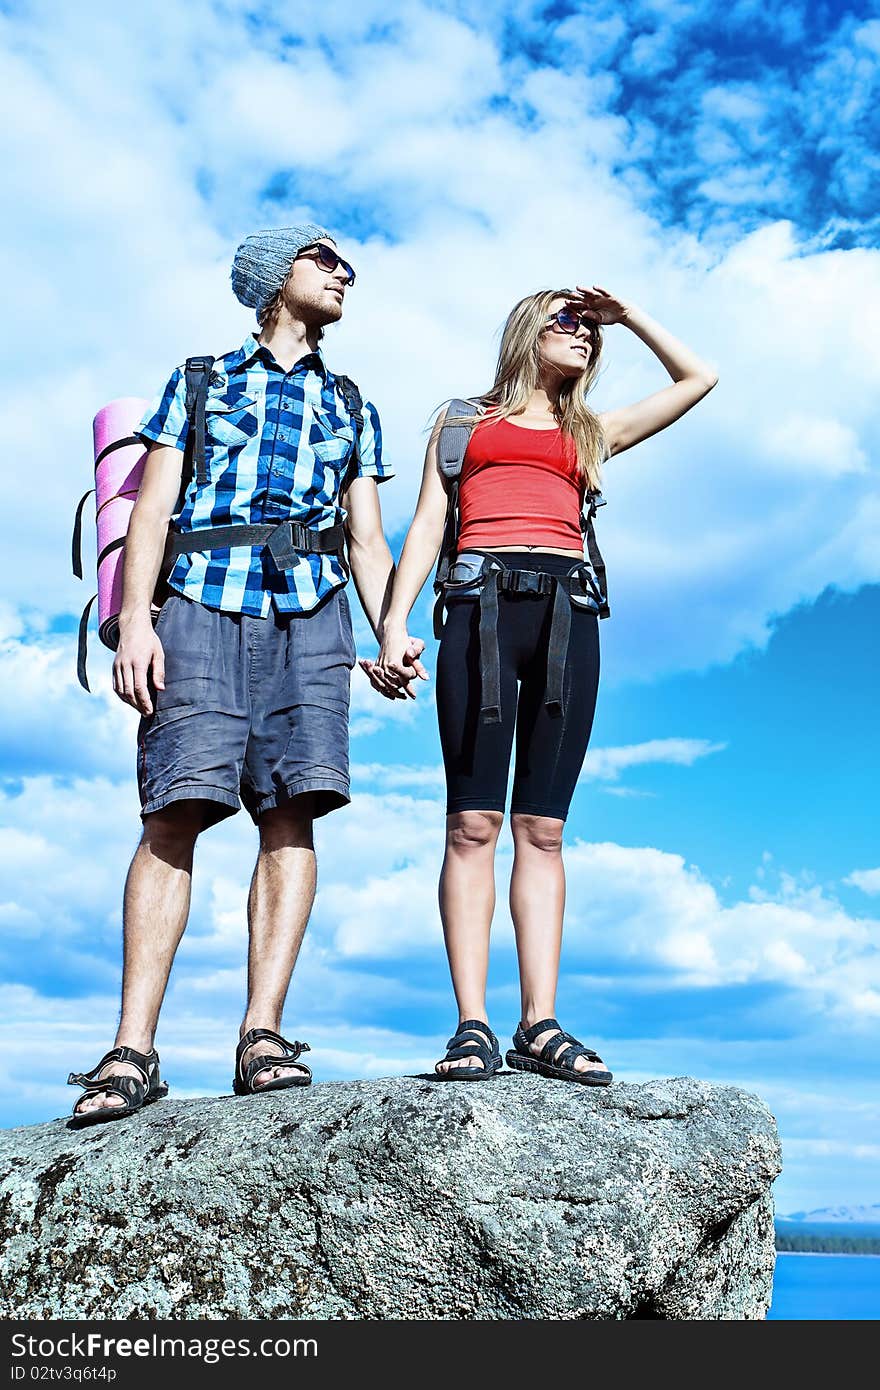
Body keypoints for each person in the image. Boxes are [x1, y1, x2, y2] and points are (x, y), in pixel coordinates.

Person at [68, 224, 425, 1125]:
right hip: (199, 603)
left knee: (294, 811)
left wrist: (390, 631)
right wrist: (137, 624)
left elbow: (369, 539)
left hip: (313, 614)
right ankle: (132, 1048)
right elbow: (152, 510)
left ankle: (261, 1035)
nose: (344, 274)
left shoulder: (351, 402)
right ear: (274, 279)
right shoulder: (199, 382)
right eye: (324, 260)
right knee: (174, 811)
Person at [361, 284, 718, 1081]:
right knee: (471, 824)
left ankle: (540, 1023)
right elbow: (425, 523)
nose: (584, 337)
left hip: (566, 615)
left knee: (544, 830)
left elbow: (699, 379)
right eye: (569, 323)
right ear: (529, 330)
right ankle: (472, 1025)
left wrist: (627, 316)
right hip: (478, 609)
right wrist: (393, 623)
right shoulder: (463, 423)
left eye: (593, 331)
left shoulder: (591, 432)